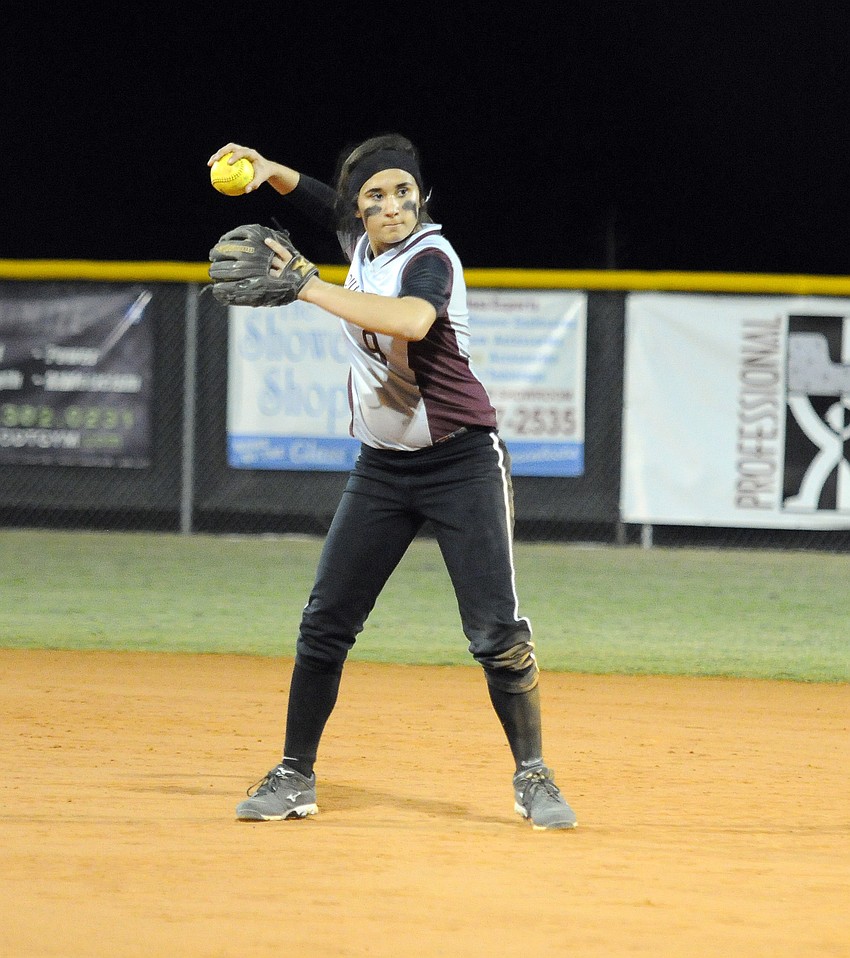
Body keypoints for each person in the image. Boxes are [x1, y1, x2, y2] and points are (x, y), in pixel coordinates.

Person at [207, 134, 578, 830]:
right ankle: (294, 774)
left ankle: (534, 776)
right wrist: (269, 171)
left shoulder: (430, 256)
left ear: (421, 199)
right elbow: (324, 203)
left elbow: (414, 318)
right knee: (325, 624)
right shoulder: (361, 243)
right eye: (376, 196)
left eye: (404, 192)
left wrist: (308, 287)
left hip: (461, 464)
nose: (392, 206)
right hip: (381, 468)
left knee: (497, 633)